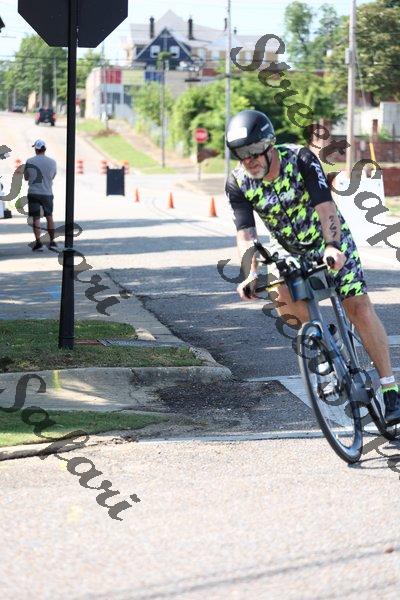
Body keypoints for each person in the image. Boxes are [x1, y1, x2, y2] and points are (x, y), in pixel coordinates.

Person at [225, 109, 400, 425]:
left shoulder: (300, 159)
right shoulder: (238, 182)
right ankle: (324, 341)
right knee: (277, 291)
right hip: (289, 250)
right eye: (240, 154)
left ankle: (390, 390)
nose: (248, 160)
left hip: (329, 240)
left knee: (358, 308)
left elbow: (325, 206)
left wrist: (332, 246)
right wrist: (250, 272)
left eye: (253, 151)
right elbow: (246, 233)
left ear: (269, 145)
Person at [24, 139, 57, 251]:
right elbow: (53, 176)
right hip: (47, 193)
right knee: (49, 217)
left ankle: (38, 242)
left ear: (36, 149)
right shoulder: (52, 162)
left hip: (33, 192)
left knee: (36, 218)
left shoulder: (29, 161)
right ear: (45, 149)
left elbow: (26, 177)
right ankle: (51, 241)